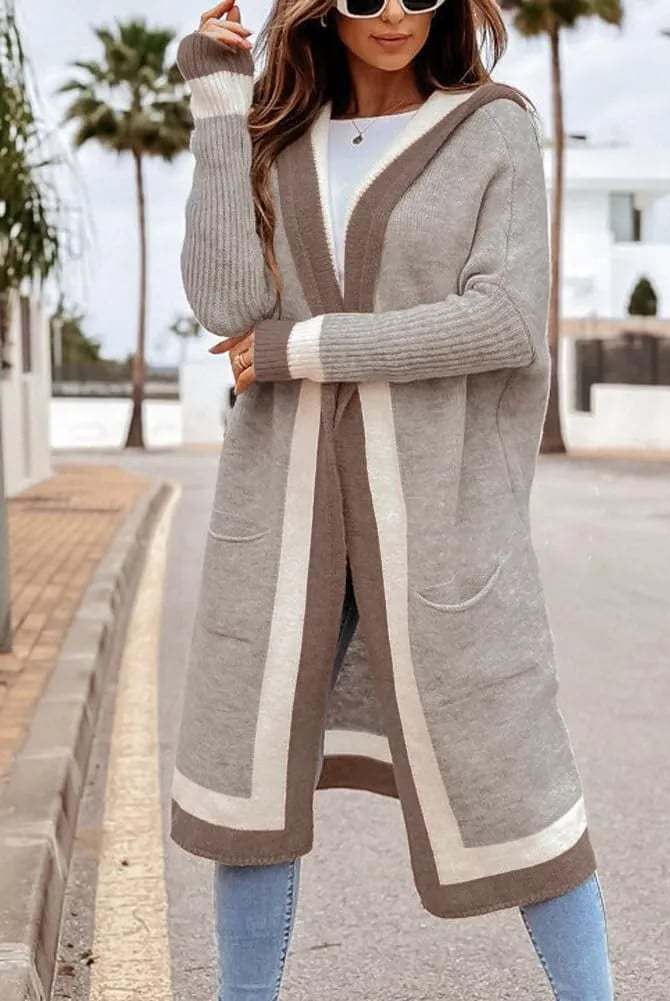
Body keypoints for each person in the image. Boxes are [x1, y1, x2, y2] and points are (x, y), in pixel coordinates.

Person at [172, 0, 614, 998]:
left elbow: (501, 319)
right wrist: (218, 106)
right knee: (249, 788)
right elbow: (225, 305)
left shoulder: (491, 127)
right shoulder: (276, 140)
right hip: (281, 516)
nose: (393, 14)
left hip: (438, 522)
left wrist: (305, 347)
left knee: (516, 779)